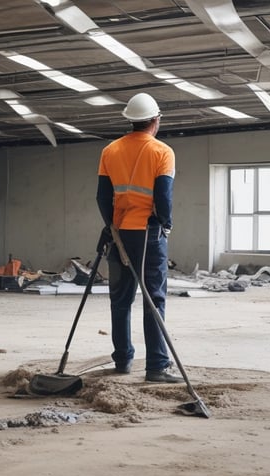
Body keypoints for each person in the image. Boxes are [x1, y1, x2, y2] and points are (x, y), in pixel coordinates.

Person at [95, 92, 183, 384]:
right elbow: (163, 197)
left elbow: (102, 196)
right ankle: (157, 366)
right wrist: (166, 224)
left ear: (130, 121)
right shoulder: (162, 152)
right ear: (156, 121)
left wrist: (111, 226)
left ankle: (123, 360)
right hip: (149, 235)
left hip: (119, 235)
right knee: (153, 300)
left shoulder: (110, 151)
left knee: (120, 300)